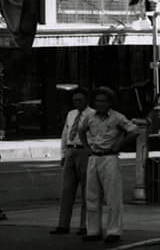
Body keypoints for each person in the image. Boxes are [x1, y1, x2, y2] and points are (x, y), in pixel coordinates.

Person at [77, 86, 138, 245]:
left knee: (112, 197)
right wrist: (86, 147)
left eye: (103, 101)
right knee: (91, 196)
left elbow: (134, 131)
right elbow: (81, 130)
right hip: (94, 157)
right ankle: (93, 230)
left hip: (110, 157)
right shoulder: (90, 117)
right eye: (97, 101)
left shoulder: (117, 118)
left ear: (110, 103)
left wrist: (120, 144)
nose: (100, 104)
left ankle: (114, 231)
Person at [52, 87, 94, 235]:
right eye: (75, 100)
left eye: (80, 100)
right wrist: (63, 154)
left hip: (84, 151)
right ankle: (63, 225)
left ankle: (85, 226)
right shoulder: (71, 114)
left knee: (86, 191)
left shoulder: (92, 115)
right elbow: (65, 133)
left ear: (87, 100)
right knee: (66, 190)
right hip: (71, 150)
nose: (77, 102)